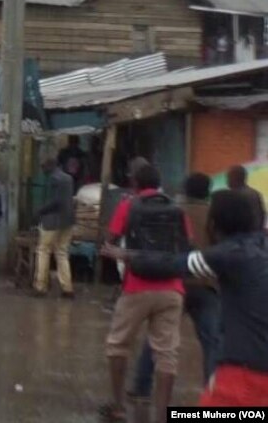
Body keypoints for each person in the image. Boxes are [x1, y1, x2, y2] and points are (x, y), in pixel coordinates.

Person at [102, 189, 268, 407]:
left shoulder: (231, 254)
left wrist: (129, 256)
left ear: (216, 224)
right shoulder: (257, 247)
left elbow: (175, 264)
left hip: (243, 376)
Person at [99, 164, 191, 423]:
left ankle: (118, 407)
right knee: (167, 353)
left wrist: (118, 252)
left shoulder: (128, 205)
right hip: (172, 289)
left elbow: (110, 240)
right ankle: (162, 415)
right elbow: (186, 246)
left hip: (136, 286)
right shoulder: (177, 209)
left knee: (118, 344)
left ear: (134, 183)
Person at [131, 173, 220, 400]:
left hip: (174, 282)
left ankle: (142, 386)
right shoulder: (214, 215)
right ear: (207, 190)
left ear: (185, 189)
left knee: (159, 338)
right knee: (211, 342)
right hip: (205, 284)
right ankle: (212, 389)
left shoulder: (172, 211)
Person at [33, 158, 77, 298]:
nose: (42, 170)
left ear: (49, 166)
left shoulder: (52, 179)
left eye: (43, 167)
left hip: (52, 222)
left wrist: (40, 210)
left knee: (43, 251)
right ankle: (67, 288)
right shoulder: (68, 178)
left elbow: (55, 201)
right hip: (68, 221)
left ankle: (40, 287)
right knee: (62, 253)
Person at [226, 165, 265, 232]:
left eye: (229, 177)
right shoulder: (254, 193)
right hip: (256, 234)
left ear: (235, 178)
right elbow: (262, 214)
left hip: (242, 236)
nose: (227, 181)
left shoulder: (232, 196)